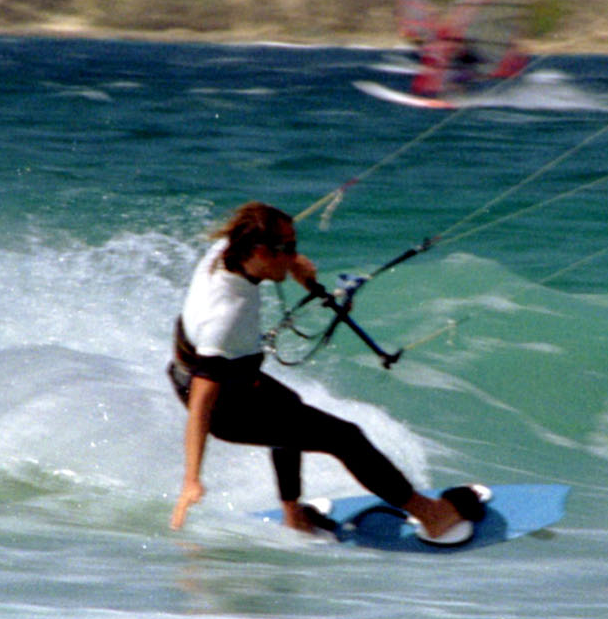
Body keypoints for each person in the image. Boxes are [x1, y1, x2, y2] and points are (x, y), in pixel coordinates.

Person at [166, 201, 471, 542]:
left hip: (222, 380)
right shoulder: (225, 316)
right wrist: (192, 480)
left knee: (289, 405)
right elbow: (201, 406)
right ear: (261, 252)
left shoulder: (230, 250)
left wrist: (293, 264)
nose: (297, 253)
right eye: (289, 248)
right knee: (346, 438)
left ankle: (294, 517)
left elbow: (272, 253)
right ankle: (432, 516)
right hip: (222, 407)